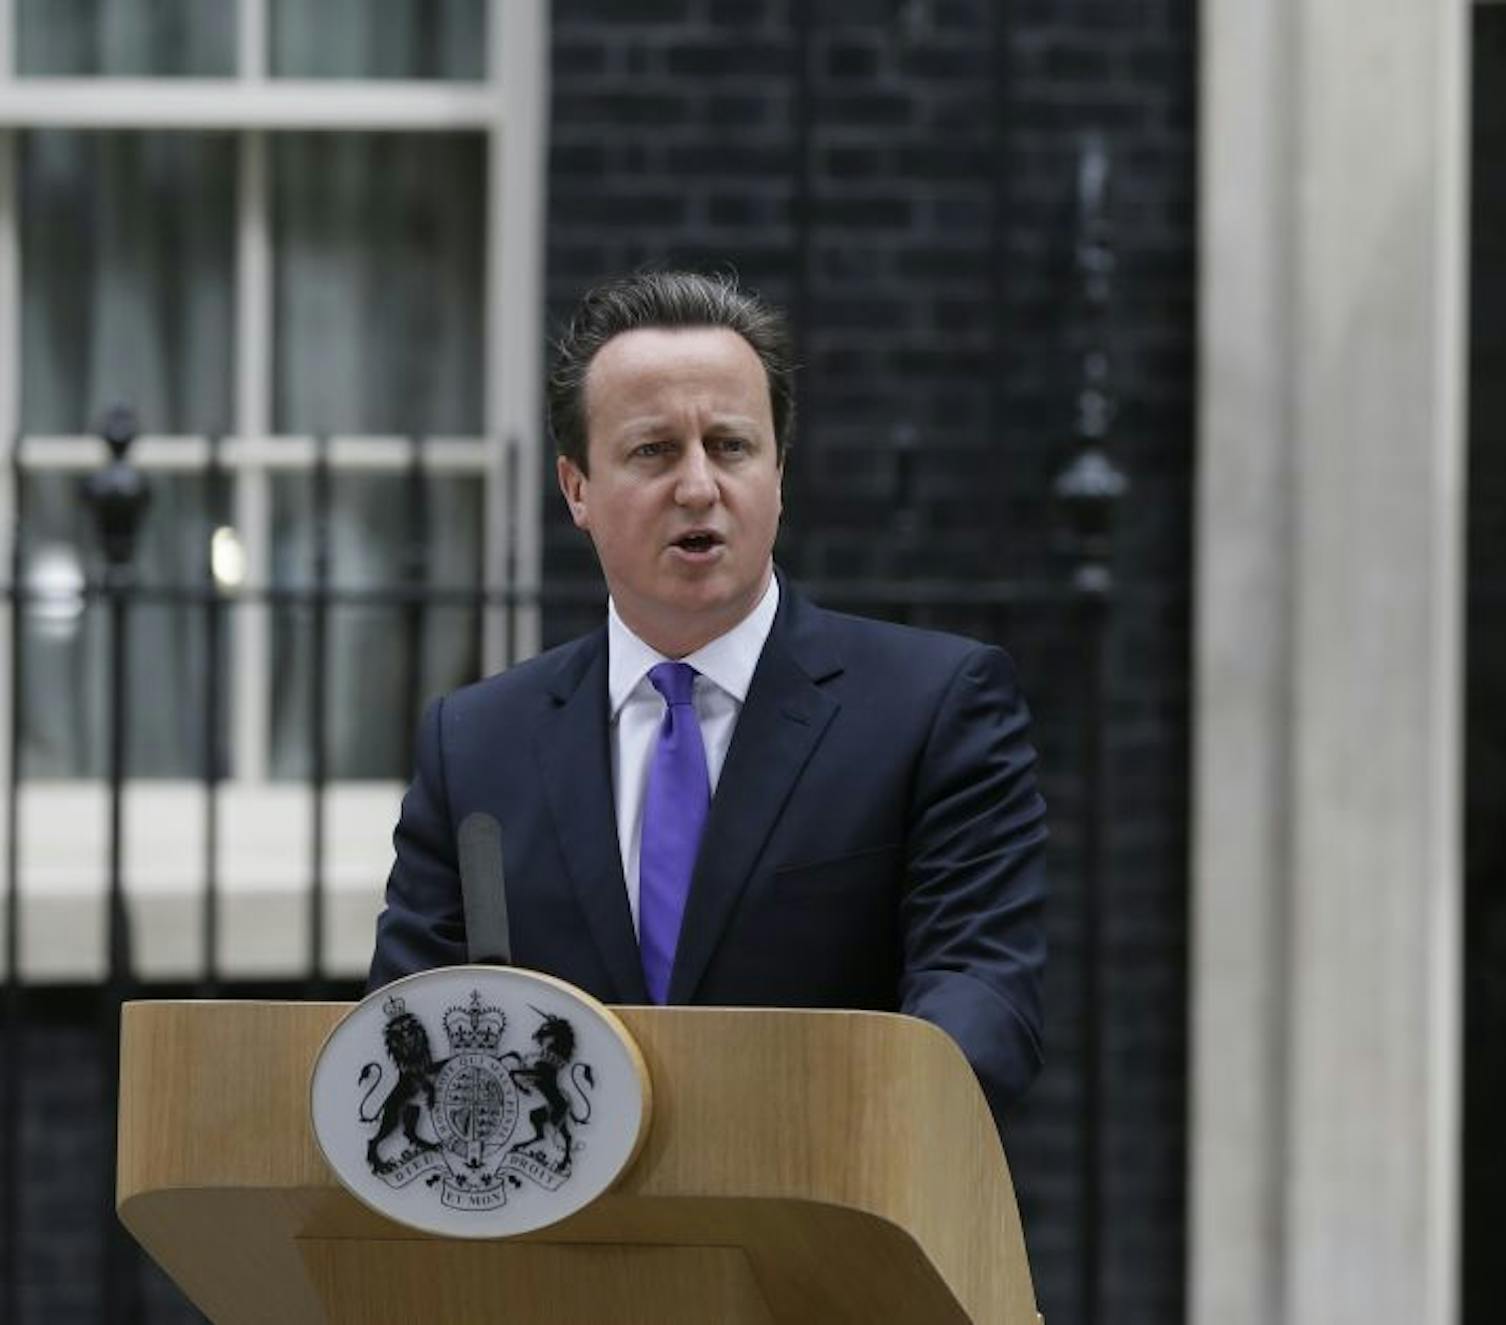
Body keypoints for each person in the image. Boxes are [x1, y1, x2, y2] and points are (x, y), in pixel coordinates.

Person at [367, 269, 1047, 1107]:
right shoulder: (473, 743)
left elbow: (982, 994)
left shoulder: (934, 708)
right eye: (653, 451)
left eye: (730, 446)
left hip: (831, 1215)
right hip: (558, 1233)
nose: (698, 487)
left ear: (779, 471)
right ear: (576, 488)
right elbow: (405, 1030)